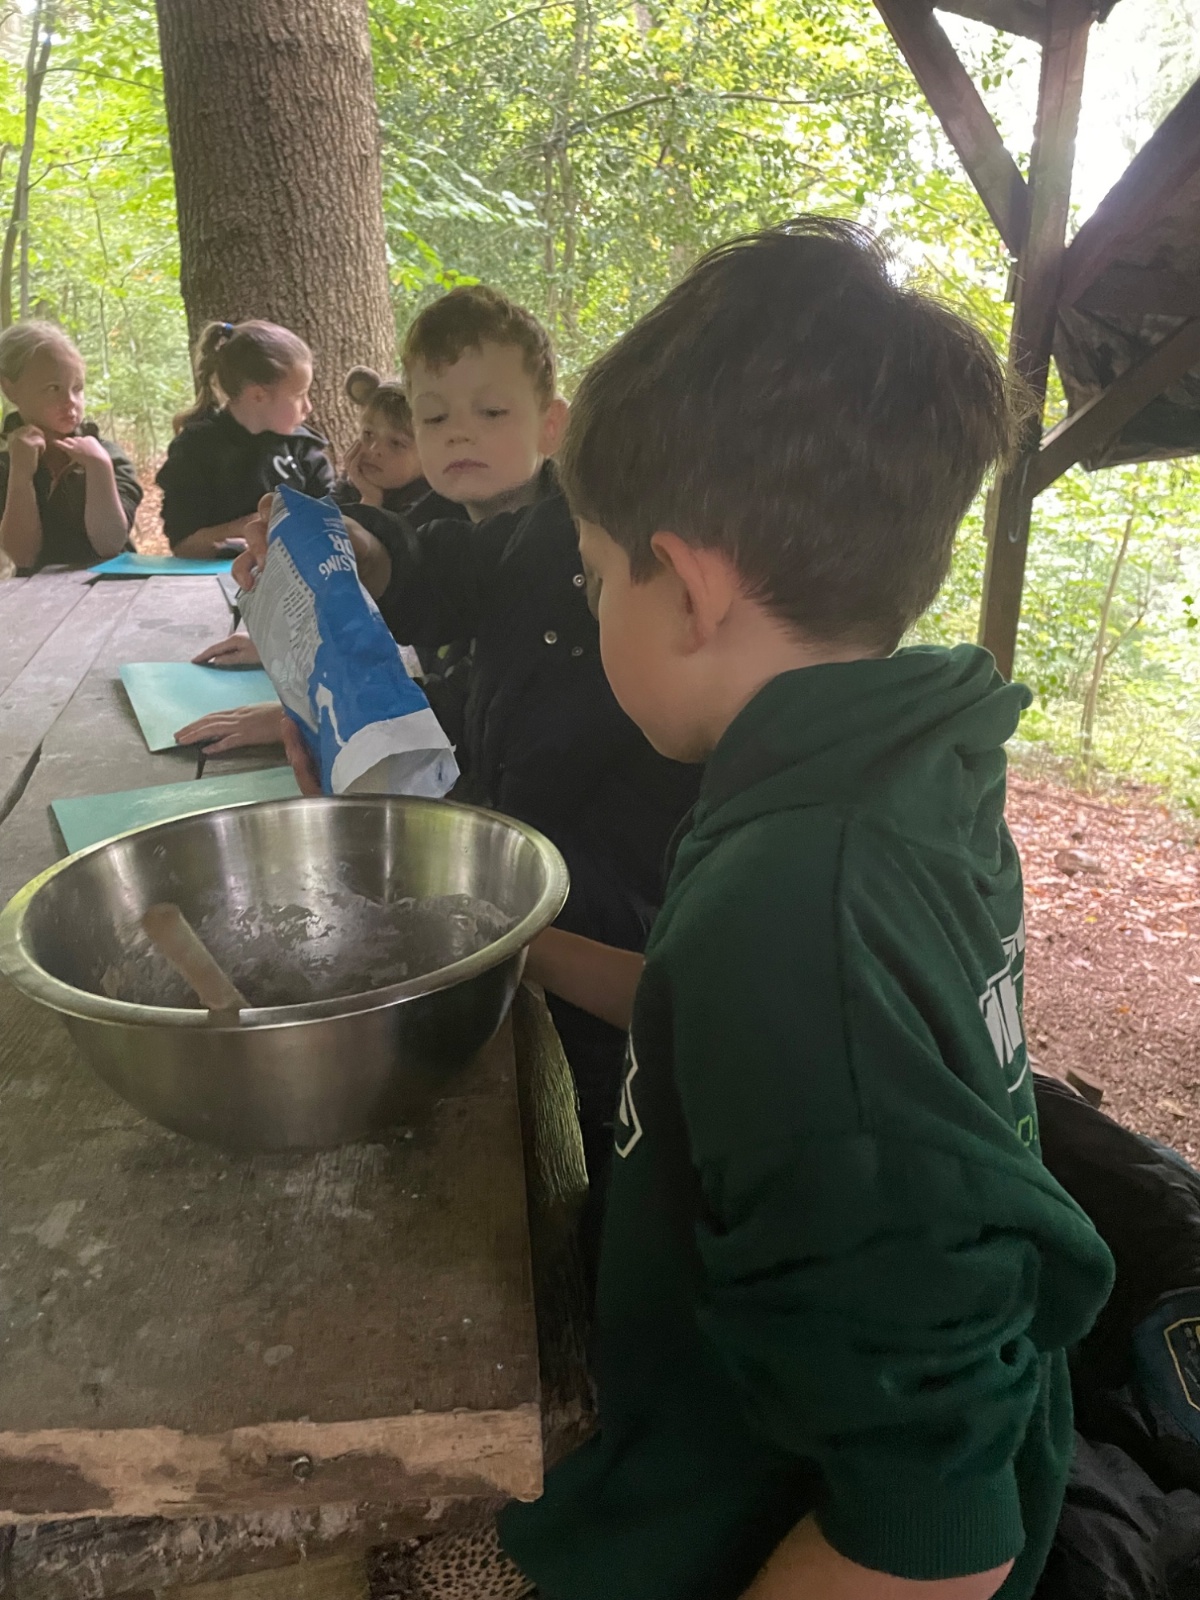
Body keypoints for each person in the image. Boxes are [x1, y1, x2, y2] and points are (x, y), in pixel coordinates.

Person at [382, 220, 1118, 1600]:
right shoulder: (893, 773)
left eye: (596, 574)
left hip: (746, 1539)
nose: (590, 605)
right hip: (709, 1433)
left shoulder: (797, 906)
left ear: (693, 589)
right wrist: (522, 950)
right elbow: (718, 1012)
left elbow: (936, 1533)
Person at [238, 284, 702, 1201]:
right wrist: (365, 559)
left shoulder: (572, 531)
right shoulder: (501, 533)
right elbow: (453, 594)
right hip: (546, 859)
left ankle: (593, 1195)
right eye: (436, 415)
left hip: (604, 881)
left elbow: (459, 587)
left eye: (492, 413)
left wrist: (464, 849)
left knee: (588, 1098)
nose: (460, 435)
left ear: (553, 426)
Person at [156, 319, 333, 558]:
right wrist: (247, 527)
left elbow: (332, 523)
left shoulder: (303, 450)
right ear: (258, 395)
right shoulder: (195, 450)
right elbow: (184, 544)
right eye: (300, 395)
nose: (308, 407)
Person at [0, 320, 142, 572]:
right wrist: (20, 476)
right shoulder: (4, 463)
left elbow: (109, 545)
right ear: (10, 389)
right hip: (24, 596)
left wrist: (99, 468)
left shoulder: (109, 456)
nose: (71, 402)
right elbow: (18, 559)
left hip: (109, 591)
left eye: (77, 388)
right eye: (53, 388)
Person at [332, 367, 428, 514]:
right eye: (368, 434)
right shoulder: (349, 487)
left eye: (396, 443)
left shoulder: (429, 506)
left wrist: (370, 500)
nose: (374, 449)